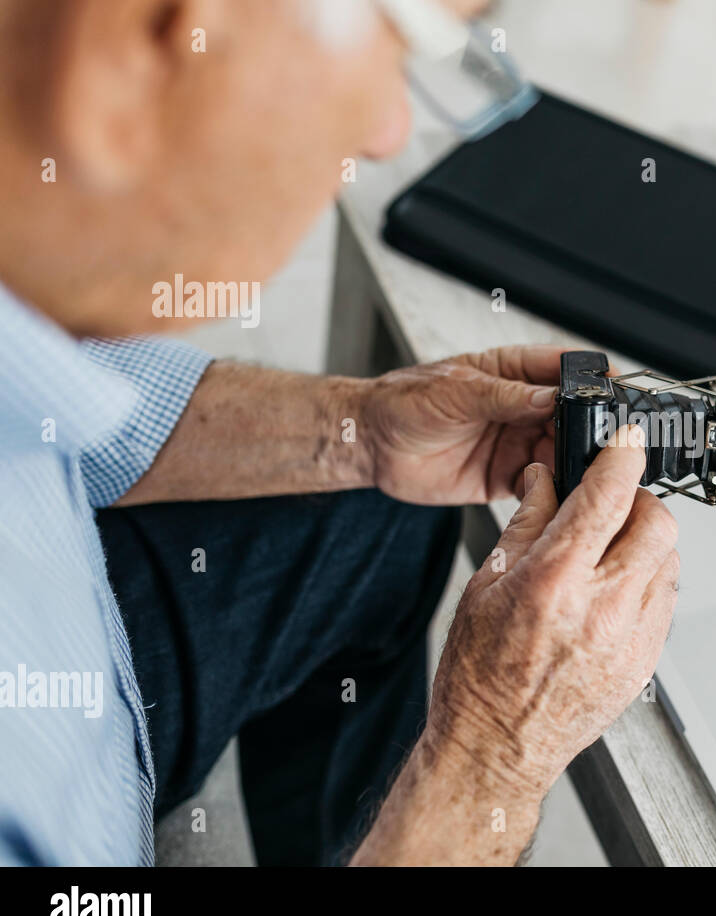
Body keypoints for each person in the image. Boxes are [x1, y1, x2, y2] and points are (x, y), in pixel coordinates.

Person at [0, 0, 679, 866]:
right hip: (65, 795)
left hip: (76, 632)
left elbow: (59, 421)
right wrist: (489, 757)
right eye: (410, 39)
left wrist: (358, 434)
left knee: (387, 498)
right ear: (126, 48)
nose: (391, 130)